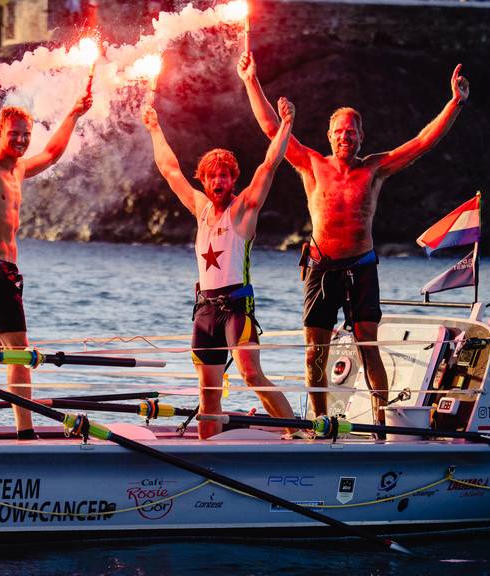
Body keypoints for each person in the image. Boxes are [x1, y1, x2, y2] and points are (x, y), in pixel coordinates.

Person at [236, 52, 470, 423]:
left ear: (362, 136)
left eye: (352, 131)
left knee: (368, 347)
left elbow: (423, 142)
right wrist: (251, 80)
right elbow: (270, 128)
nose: (345, 137)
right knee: (315, 351)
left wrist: (455, 103)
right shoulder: (312, 163)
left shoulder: (375, 168)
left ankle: (381, 422)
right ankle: (320, 420)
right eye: (339, 131)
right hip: (321, 266)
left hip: (361, 268)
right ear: (329, 136)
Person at [0, 74, 93, 439]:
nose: (22, 140)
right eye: (15, 134)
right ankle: (25, 433)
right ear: (0, 133)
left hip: (2, 272)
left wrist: (74, 113)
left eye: (26, 134)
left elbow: (54, 153)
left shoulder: (20, 170)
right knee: (19, 354)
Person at [142, 97, 299, 439]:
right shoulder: (200, 209)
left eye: (225, 176)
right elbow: (170, 170)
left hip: (236, 309)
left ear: (233, 180)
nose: (218, 182)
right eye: (212, 176)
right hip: (205, 311)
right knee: (207, 392)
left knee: (251, 374)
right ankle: (206, 450)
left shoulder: (242, 210)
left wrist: (286, 125)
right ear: (203, 180)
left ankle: (297, 434)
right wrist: (155, 128)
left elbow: (268, 167)